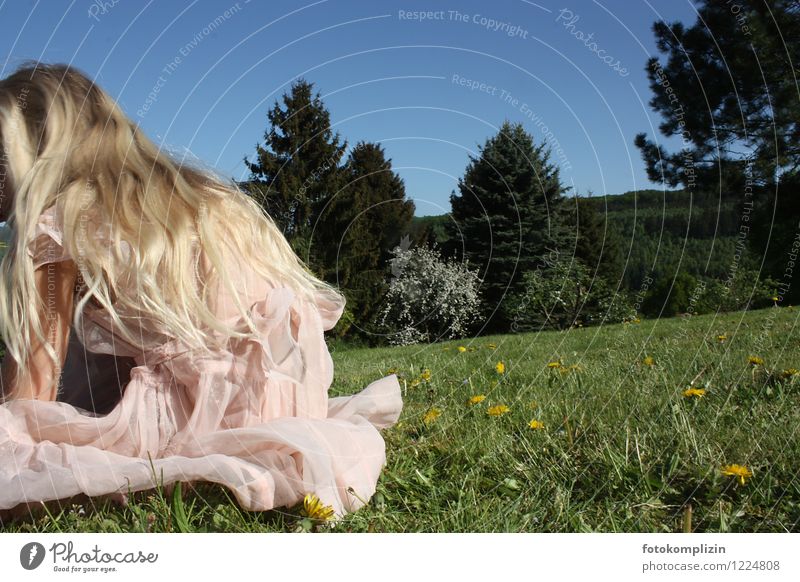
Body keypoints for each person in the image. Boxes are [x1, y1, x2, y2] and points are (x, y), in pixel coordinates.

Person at [0, 61, 402, 523]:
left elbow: (30, 392)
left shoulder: (56, 222)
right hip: (284, 408)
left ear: (32, 154)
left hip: (198, 424)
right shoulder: (200, 196)